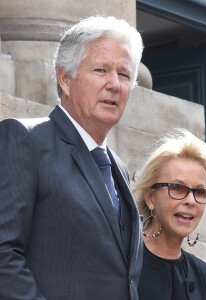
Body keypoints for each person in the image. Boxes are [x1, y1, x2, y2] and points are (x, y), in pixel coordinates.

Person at [0, 15, 144, 299]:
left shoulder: (119, 168)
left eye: (124, 74)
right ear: (65, 78)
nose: (114, 84)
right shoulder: (26, 140)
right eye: (101, 70)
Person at [132, 128, 206, 300]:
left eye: (199, 192)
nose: (191, 201)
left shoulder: (205, 275)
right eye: (177, 188)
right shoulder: (125, 263)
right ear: (150, 198)